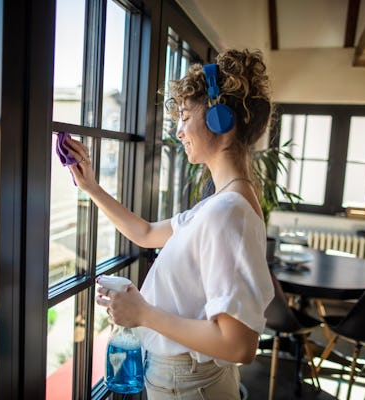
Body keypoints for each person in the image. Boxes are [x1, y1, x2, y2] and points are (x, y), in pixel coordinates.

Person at [65, 48, 274, 400]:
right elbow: (145, 234)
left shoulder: (227, 212)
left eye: (185, 116)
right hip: (188, 380)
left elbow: (239, 345)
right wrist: (91, 187)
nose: (178, 131)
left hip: (190, 385)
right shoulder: (221, 203)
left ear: (219, 120)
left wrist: (143, 313)